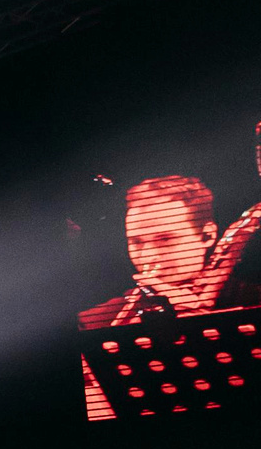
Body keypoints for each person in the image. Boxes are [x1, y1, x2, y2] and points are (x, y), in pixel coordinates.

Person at [80, 166, 261, 417]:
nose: (149, 256)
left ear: (208, 235)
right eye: (137, 242)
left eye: (166, 239)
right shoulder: (94, 322)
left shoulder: (253, 302)